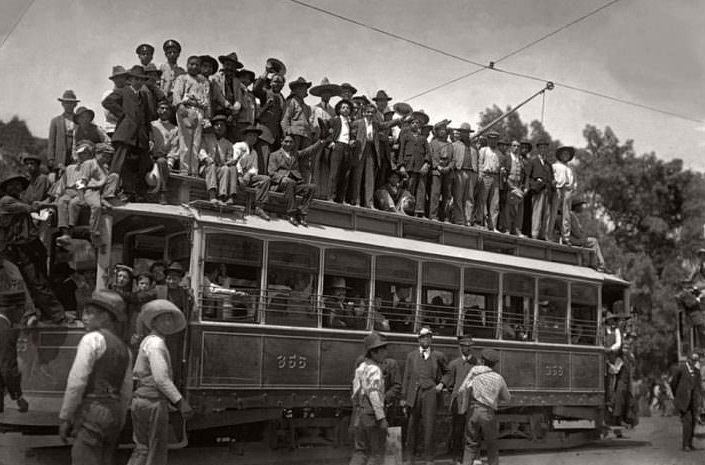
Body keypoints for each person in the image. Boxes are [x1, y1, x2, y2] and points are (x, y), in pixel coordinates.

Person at [58, 290, 132, 465]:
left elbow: (77, 381)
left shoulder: (91, 340)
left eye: (90, 313)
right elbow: (126, 390)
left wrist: (66, 416)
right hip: (113, 411)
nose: (85, 317)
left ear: (106, 316)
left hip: (92, 409)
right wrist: (120, 418)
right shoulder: (125, 349)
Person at [127, 299, 193, 465]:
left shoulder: (148, 341)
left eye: (171, 319)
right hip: (153, 402)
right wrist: (180, 402)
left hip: (141, 399)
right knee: (155, 451)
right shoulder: (156, 344)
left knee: (142, 448)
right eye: (165, 319)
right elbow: (161, 379)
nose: (169, 323)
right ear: (154, 322)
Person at [0, 172, 65, 324]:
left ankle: (40, 314)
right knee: (34, 282)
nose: (16, 187)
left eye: (18, 185)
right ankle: (53, 315)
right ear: (6, 188)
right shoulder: (6, 201)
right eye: (11, 185)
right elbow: (31, 207)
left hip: (25, 247)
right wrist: (53, 204)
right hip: (19, 249)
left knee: (34, 282)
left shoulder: (15, 201)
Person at [102, 65, 151, 201]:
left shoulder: (144, 96)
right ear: (130, 79)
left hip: (139, 137)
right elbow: (107, 102)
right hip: (124, 134)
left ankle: (133, 193)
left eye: (141, 79)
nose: (139, 82)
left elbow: (146, 118)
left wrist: (149, 136)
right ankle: (109, 192)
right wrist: (122, 115)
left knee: (138, 164)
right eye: (136, 79)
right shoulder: (123, 91)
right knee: (118, 163)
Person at [401, 327, 447, 464]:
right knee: (412, 426)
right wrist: (403, 397)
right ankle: (410, 457)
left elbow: (448, 372)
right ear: (418, 339)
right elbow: (406, 377)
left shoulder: (438, 356)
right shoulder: (411, 356)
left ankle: (429, 459)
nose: (425, 340)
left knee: (429, 426)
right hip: (414, 394)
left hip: (430, 394)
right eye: (423, 337)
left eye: (428, 337)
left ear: (431, 339)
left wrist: (442, 384)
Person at [457, 348, 510, 465]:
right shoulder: (498, 378)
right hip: (487, 413)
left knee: (470, 444)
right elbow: (507, 398)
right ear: (494, 364)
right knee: (492, 445)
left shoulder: (474, 372)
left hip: (473, 411)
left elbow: (462, 389)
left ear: (482, 360)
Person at [349, 332, 390, 465]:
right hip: (371, 415)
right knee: (375, 452)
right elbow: (374, 395)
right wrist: (382, 418)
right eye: (383, 349)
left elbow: (355, 392)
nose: (386, 352)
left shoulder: (361, 367)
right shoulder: (375, 369)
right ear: (374, 352)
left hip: (360, 414)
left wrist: (357, 410)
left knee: (360, 451)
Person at [350, 104, 402, 208]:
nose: (370, 114)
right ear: (364, 113)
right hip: (360, 150)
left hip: (371, 150)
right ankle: (356, 201)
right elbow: (351, 134)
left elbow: (386, 125)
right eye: (368, 112)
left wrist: (398, 120)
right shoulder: (357, 123)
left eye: (372, 112)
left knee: (370, 177)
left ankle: (369, 202)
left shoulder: (375, 124)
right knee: (357, 176)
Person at [268, 134, 325, 226]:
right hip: (281, 184)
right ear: (281, 142)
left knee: (312, 187)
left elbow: (309, 150)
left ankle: (301, 213)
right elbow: (271, 172)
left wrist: (320, 141)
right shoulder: (274, 155)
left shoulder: (295, 154)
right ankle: (291, 214)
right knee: (290, 183)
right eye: (286, 141)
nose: (288, 144)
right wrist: (282, 178)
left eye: (291, 142)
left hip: (296, 184)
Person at [439, 335, 476, 465]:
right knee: (458, 430)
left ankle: (472, 457)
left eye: (469, 346)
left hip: (472, 401)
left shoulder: (476, 364)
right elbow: (449, 380)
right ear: (461, 348)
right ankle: (457, 457)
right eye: (464, 346)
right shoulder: (454, 364)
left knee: (472, 430)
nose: (467, 348)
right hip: (458, 402)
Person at [172, 56, 211, 176]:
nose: (194, 67)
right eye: (191, 64)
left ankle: (194, 170)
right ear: (187, 64)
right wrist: (180, 106)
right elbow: (176, 94)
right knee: (185, 140)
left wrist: (207, 117)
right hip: (186, 109)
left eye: (197, 65)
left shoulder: (204, 81)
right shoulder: (182, 78)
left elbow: (207, 100)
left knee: (196, 143)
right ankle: (184, 169)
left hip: (200, 110)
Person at [309, 78, 341, 199]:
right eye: (324, 93)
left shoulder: (333, 111)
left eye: (329, 93)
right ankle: (313, 191)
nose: (326, 95)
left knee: (325, 165)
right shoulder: (314, 108)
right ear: (320, 94)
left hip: (328, 141)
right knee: (315, 164)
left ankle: (322, 192)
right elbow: (311, 124)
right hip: (317, 139)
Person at [0, 291, 29, 414]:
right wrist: (18, 397)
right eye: (22, 309)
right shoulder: (5, 331)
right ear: (13, 309)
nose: (23, 314)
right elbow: (7, 368)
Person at [397, 111, 430, 218]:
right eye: (413, 123)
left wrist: (426, 164)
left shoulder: (423, 139)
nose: (415, 125)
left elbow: (428, 153)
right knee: (409, 188)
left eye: (417, 123)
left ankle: (419, 211)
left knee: (421, 190)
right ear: (410, 125)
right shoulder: (405, 136)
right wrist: (401, 165)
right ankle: (406, 209)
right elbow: (401, 151)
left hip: (420, 167)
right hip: (409, 166)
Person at [236, 125, 272, 220]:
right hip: (236, 175)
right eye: (250, 135)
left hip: (247, 177)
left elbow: (254, 168)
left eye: (255, 136)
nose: (253, 138)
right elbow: (235, 162)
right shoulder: (238, 146)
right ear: (245, 137)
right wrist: (240, 176)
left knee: (266, 179)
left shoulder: (254, 152)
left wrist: (248, 174)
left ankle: (259, 206)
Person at [670, 352, 702, 452]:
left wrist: (699, 400)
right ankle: (685, 444)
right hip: (684, 400)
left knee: (693, 422)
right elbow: (673, 383)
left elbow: (698, 386)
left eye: (696, 360)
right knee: (687, 422)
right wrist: (677, 395)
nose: (695, 362)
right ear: (688, 359)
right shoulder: (681, 369)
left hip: (693, 400)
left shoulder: (697, 371)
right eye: (693, 360)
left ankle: (690, 443)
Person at [326, 99, 356, 203]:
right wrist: (331, 142)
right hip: (338, 146)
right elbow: (326, 131)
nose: (346, 109)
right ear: (339, 109)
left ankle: (340, 198)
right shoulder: (335, 120)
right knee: (334, 173)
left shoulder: (350, 122)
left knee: (345, 173)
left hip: (347, 147)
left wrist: (352, 140)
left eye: (348, 108)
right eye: (343, 107)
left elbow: (352, 134)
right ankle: (331, 196)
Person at [253, 71, 286, 166]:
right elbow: (256, 89)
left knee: (272, 164)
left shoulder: (283, 99)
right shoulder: (266, 93)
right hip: (264, 134)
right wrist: (266, 72)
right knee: (263, 161)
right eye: (275, 81)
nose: (277, 84)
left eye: (280, 82)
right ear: (271, 83)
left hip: (276, 137)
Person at [525, 138, 553, 240]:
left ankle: (544, 235)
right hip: (537, 191)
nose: (543, 150)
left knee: (547, 214)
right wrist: (532, 186)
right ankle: (535, 234)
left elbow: (551, 178)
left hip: (547, 191)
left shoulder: (548, 165)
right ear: (538, 149)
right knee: (537, 212)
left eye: (545, 148)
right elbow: (528, 176)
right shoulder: (533, 161)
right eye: (541, 148)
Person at [281, 76, 315, 162]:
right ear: (295, 90)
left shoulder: (306, 107)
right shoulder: (291, 102)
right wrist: (287, 135)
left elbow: (308, 121)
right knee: (293, 158)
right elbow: (285, 119)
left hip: (305, 135)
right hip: (294, 134)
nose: (303, 90)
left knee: (304, 159)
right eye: (300, 88)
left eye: (304, 88)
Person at [451, 123, 478, 227]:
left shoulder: (474, 147)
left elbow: (478, 161)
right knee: (458, 196)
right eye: (463, 132)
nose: (465, 134)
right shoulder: (455, 145)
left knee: (469, 198)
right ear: (460, 133)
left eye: (466, 133)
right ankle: (459, 219)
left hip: (472, 173)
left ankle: (468, 219)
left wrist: (477, 174)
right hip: (459, 172)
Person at [547, 146, 576, 243]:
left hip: (568, 191)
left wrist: (572, 188)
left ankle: (566, 237)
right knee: (553, 212)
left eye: (567, 155)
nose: (565, 156)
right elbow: (551, 177)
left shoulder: (571, 169)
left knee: (567, 215)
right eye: (564, 154)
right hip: (558, 189)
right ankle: (549, 234)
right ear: (560, 155)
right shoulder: (555, 166)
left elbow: (574, 181)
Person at [48, 90, 80, 177]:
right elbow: (51, 141)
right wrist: (51, 158)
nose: (69, 105)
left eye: (71, 103)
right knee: (60, 181)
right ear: (62, 104)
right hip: (60, 157)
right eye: (66, 103)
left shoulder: (79, 120)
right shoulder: (56, 121)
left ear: (75, 105)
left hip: (75, 156)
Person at [569, 198, 606, 271]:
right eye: (580, 206)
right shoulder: (572, 216)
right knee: (594, 241)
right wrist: (583, 235)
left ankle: (594, 264)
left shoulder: (573, 215)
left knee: (591, 241)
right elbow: (577, 233)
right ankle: (601, 265)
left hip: (573, 238)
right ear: (576, 207)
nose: (582, 207)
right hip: (573, 239)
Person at [428, 121, 454, 222]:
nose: (442, 132)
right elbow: (431, 156)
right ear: (437, 132)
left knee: (447, 195)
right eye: (440, 130)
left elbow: (454, 160)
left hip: (447, 172)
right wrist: (437, 166)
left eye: (444, 130)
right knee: (435, 194)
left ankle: (445, 216)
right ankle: (433, 215)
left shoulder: (450, 145)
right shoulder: (433, 144)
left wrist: (449, 167)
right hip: (436, 171)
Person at [477, 131, 502, 231]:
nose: (493, 141)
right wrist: (480, 175)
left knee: (495, 203)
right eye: (491, 139)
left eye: (495, 139)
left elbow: (499, 167)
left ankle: (493, 225)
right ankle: (480, 222)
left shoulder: (499, 153)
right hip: (485, 176)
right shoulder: (483, 150)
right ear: (488, 139)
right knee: (482, 200)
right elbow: (480, 163)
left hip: (495, 177)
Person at [503, 140, 527, 236]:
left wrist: (524, 187)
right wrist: (511, 187)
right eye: (514, 146)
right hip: (509, 186)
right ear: (511, 147)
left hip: (519, 185)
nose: (516, 148)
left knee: (519, 210)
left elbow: (525, 175)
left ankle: (517, 229)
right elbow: (504, 175)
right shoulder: (507, 158)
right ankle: (507, 229)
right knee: (508, 209)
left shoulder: (521, 160)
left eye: (518, 146)